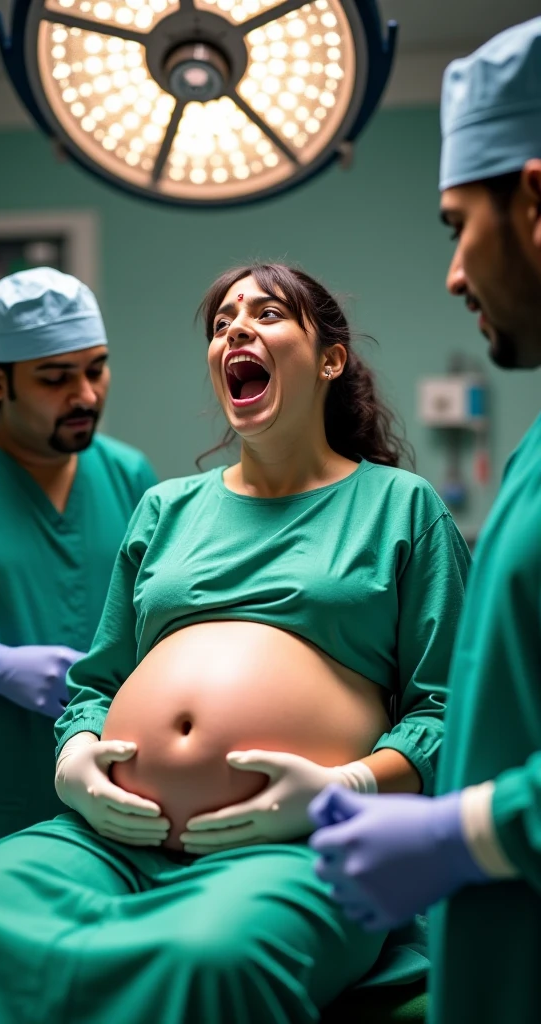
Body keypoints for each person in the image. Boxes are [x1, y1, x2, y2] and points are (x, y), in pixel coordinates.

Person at [0, 264, 469, 1024]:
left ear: (330, 358)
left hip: (297, 843)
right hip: (112, 836)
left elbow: (449, 709)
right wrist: (76, 760)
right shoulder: (165, 507)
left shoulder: (400, 508)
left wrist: (346, 788)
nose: (235, 331)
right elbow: (97, 686)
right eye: (223, 322)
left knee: (209, 959)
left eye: (266, 314)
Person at [309, 17, 541, 1024]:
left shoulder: (398, 506)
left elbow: (446, 703)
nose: (452, 274)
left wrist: (466, 829)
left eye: (456, 226)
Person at [0, 266, 157, 864]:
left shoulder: (131, 476)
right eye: (55, 378)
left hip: (116, 804)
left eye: (96, 368)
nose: (86, 395)